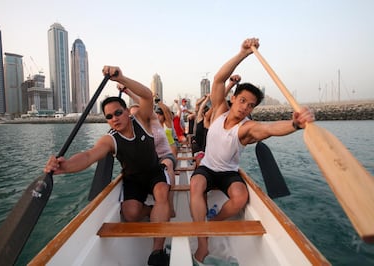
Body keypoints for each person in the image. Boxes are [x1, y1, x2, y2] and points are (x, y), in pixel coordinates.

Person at [189, 38, 315, 264]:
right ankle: (203, 240)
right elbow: (219, 79)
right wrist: (243, 53)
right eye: (243, 100)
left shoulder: (246, 127)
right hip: (207, 167)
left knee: (241, 197)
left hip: (228, 172)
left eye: (251, 105)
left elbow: (268, 129)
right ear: (234, 98)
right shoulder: (219, 110)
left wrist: (295, 124)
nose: (245, 107)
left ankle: (214, 223)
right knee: (195, 184)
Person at [44, 66, 171, 266]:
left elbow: (147, 95)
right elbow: (88, 156)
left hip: (155, 171)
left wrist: (122, 78)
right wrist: (65, 166)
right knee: (130, 214)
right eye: (109, 117)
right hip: (133, 179)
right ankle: (153, 211)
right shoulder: (110, 140)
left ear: (128, 112)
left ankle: (157, 251)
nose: (114, 119)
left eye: (118, 113)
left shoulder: (143, 121)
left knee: (162, 191)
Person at [123, 86, 177, 218]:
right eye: (133, 116)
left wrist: (128, 91)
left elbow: (146, 103)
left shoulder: (153, 121)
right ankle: (150, 208)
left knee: (167, 166)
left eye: (138, 114)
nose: (136, 118)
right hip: (150, 162)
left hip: (165, 155)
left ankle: (170, 205)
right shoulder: (133, 131)